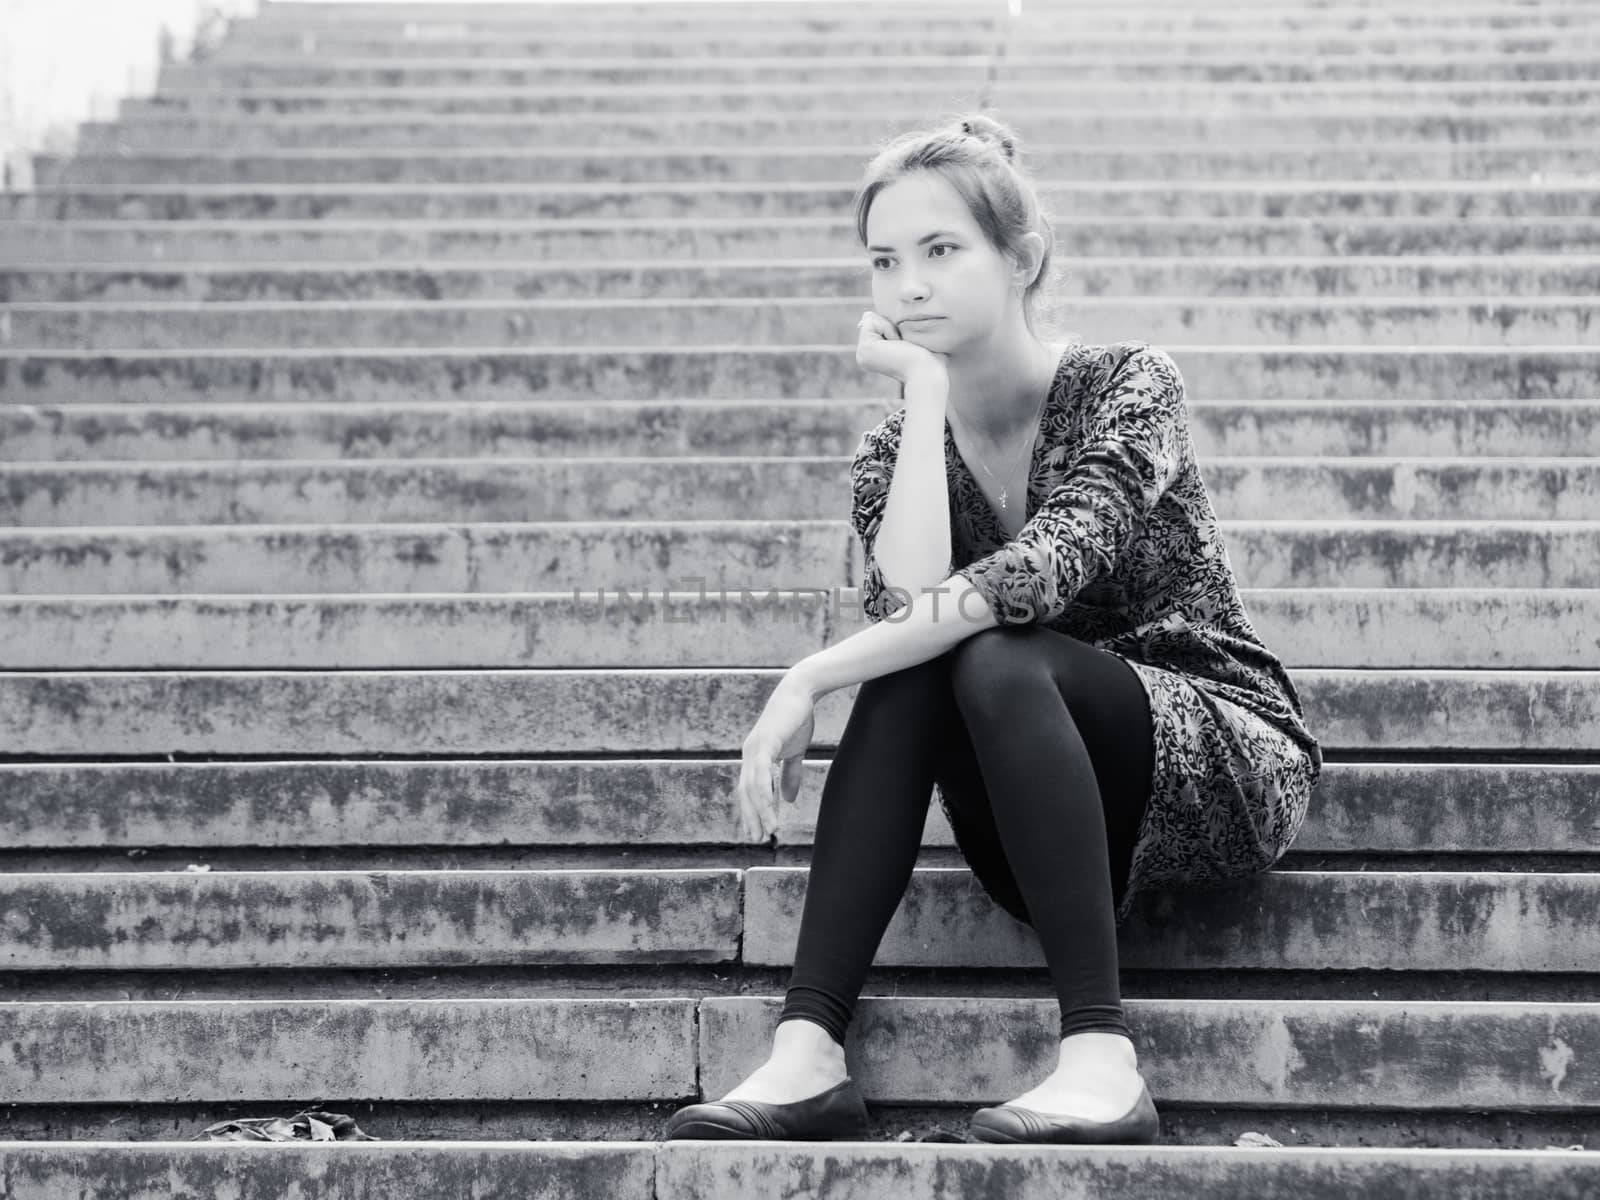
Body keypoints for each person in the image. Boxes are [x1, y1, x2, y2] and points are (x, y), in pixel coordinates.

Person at [666, 114, 1323, 1145]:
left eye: (940, 251)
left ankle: (1100, 1058)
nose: (908, 286)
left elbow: (1037, 576)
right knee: (933, 657)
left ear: (1020, 261)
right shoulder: (892, 451)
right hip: (1038, 822)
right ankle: (809, 1046)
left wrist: (808, 677)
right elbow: (910, 606)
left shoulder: (1127, 385)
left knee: (992, 645)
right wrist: (924, 398)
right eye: (885, 261)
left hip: (1210, 758)